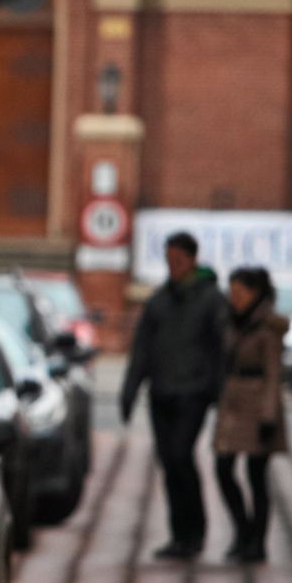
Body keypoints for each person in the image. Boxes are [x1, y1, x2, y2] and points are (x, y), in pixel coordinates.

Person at [121, 231, 229, 560]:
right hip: (161, 393)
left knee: (182, 455)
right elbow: (141, 349)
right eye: (168, 260)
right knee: (169, 462)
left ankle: (194, 531)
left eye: (178, 260)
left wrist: (217, 392)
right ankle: (178, 534)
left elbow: (222, 350)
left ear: (192, 260)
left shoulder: (212, 300)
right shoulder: (158, 300)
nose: (173, 266)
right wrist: (130, 390)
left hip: (193, 393)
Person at [214, 267, 289, 564]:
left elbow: (273, 375)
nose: (234, 298)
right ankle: (242, 531)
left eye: (240, 293)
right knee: (223, 468)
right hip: (232, 402)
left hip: (259, 405)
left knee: (256, 475)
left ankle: (257, 541)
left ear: (255, 292)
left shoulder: (268, 327)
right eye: (231, 292)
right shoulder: (233, 322)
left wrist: (268, 416)